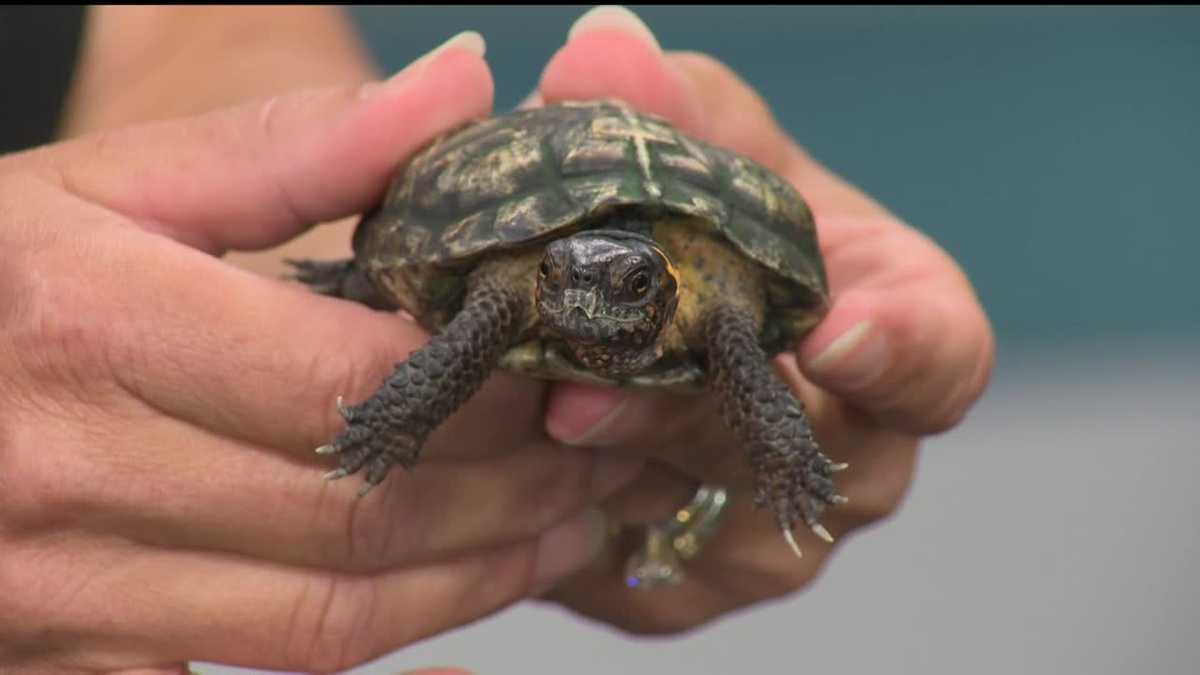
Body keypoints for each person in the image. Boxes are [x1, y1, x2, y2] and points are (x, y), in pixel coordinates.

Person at [0, 6, 994, 673]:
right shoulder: (515, 285)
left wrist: (784, 465)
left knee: (739, 354)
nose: (582, 297)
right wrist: (382, 417)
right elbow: (466, 336)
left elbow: (198, 33)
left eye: (625, 285)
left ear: (666, 284)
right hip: (484, 244)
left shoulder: (719, 294)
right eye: (562, 278)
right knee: (485, 318)